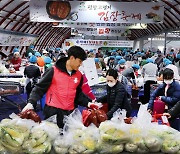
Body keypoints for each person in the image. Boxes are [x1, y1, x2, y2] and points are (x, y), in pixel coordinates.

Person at [23, 46, 94, 128]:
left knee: (68, 138)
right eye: (80, 61)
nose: (81, 64)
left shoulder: (79, 75)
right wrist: (31, 102)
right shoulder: (53, 71)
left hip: (70, 113)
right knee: (53, 138)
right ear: (72, 58)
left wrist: (88, 102)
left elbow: (78, 93)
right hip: (53, 112)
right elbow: (39, 88)